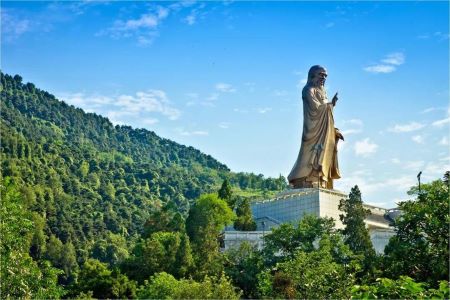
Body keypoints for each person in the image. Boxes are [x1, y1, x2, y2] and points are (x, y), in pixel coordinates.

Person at [288, 65, 344, 189]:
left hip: (324, 129)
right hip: (312, 129)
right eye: (321, 74)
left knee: (325, 150)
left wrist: (333, 129)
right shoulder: (308, 90)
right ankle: (305, 179)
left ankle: (321, 180)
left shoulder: (323, 91)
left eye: (325, 76)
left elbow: (326, 109)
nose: (323, 78)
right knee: (311, 154)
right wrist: (330, 105)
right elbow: (316, 108)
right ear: (313, 74)